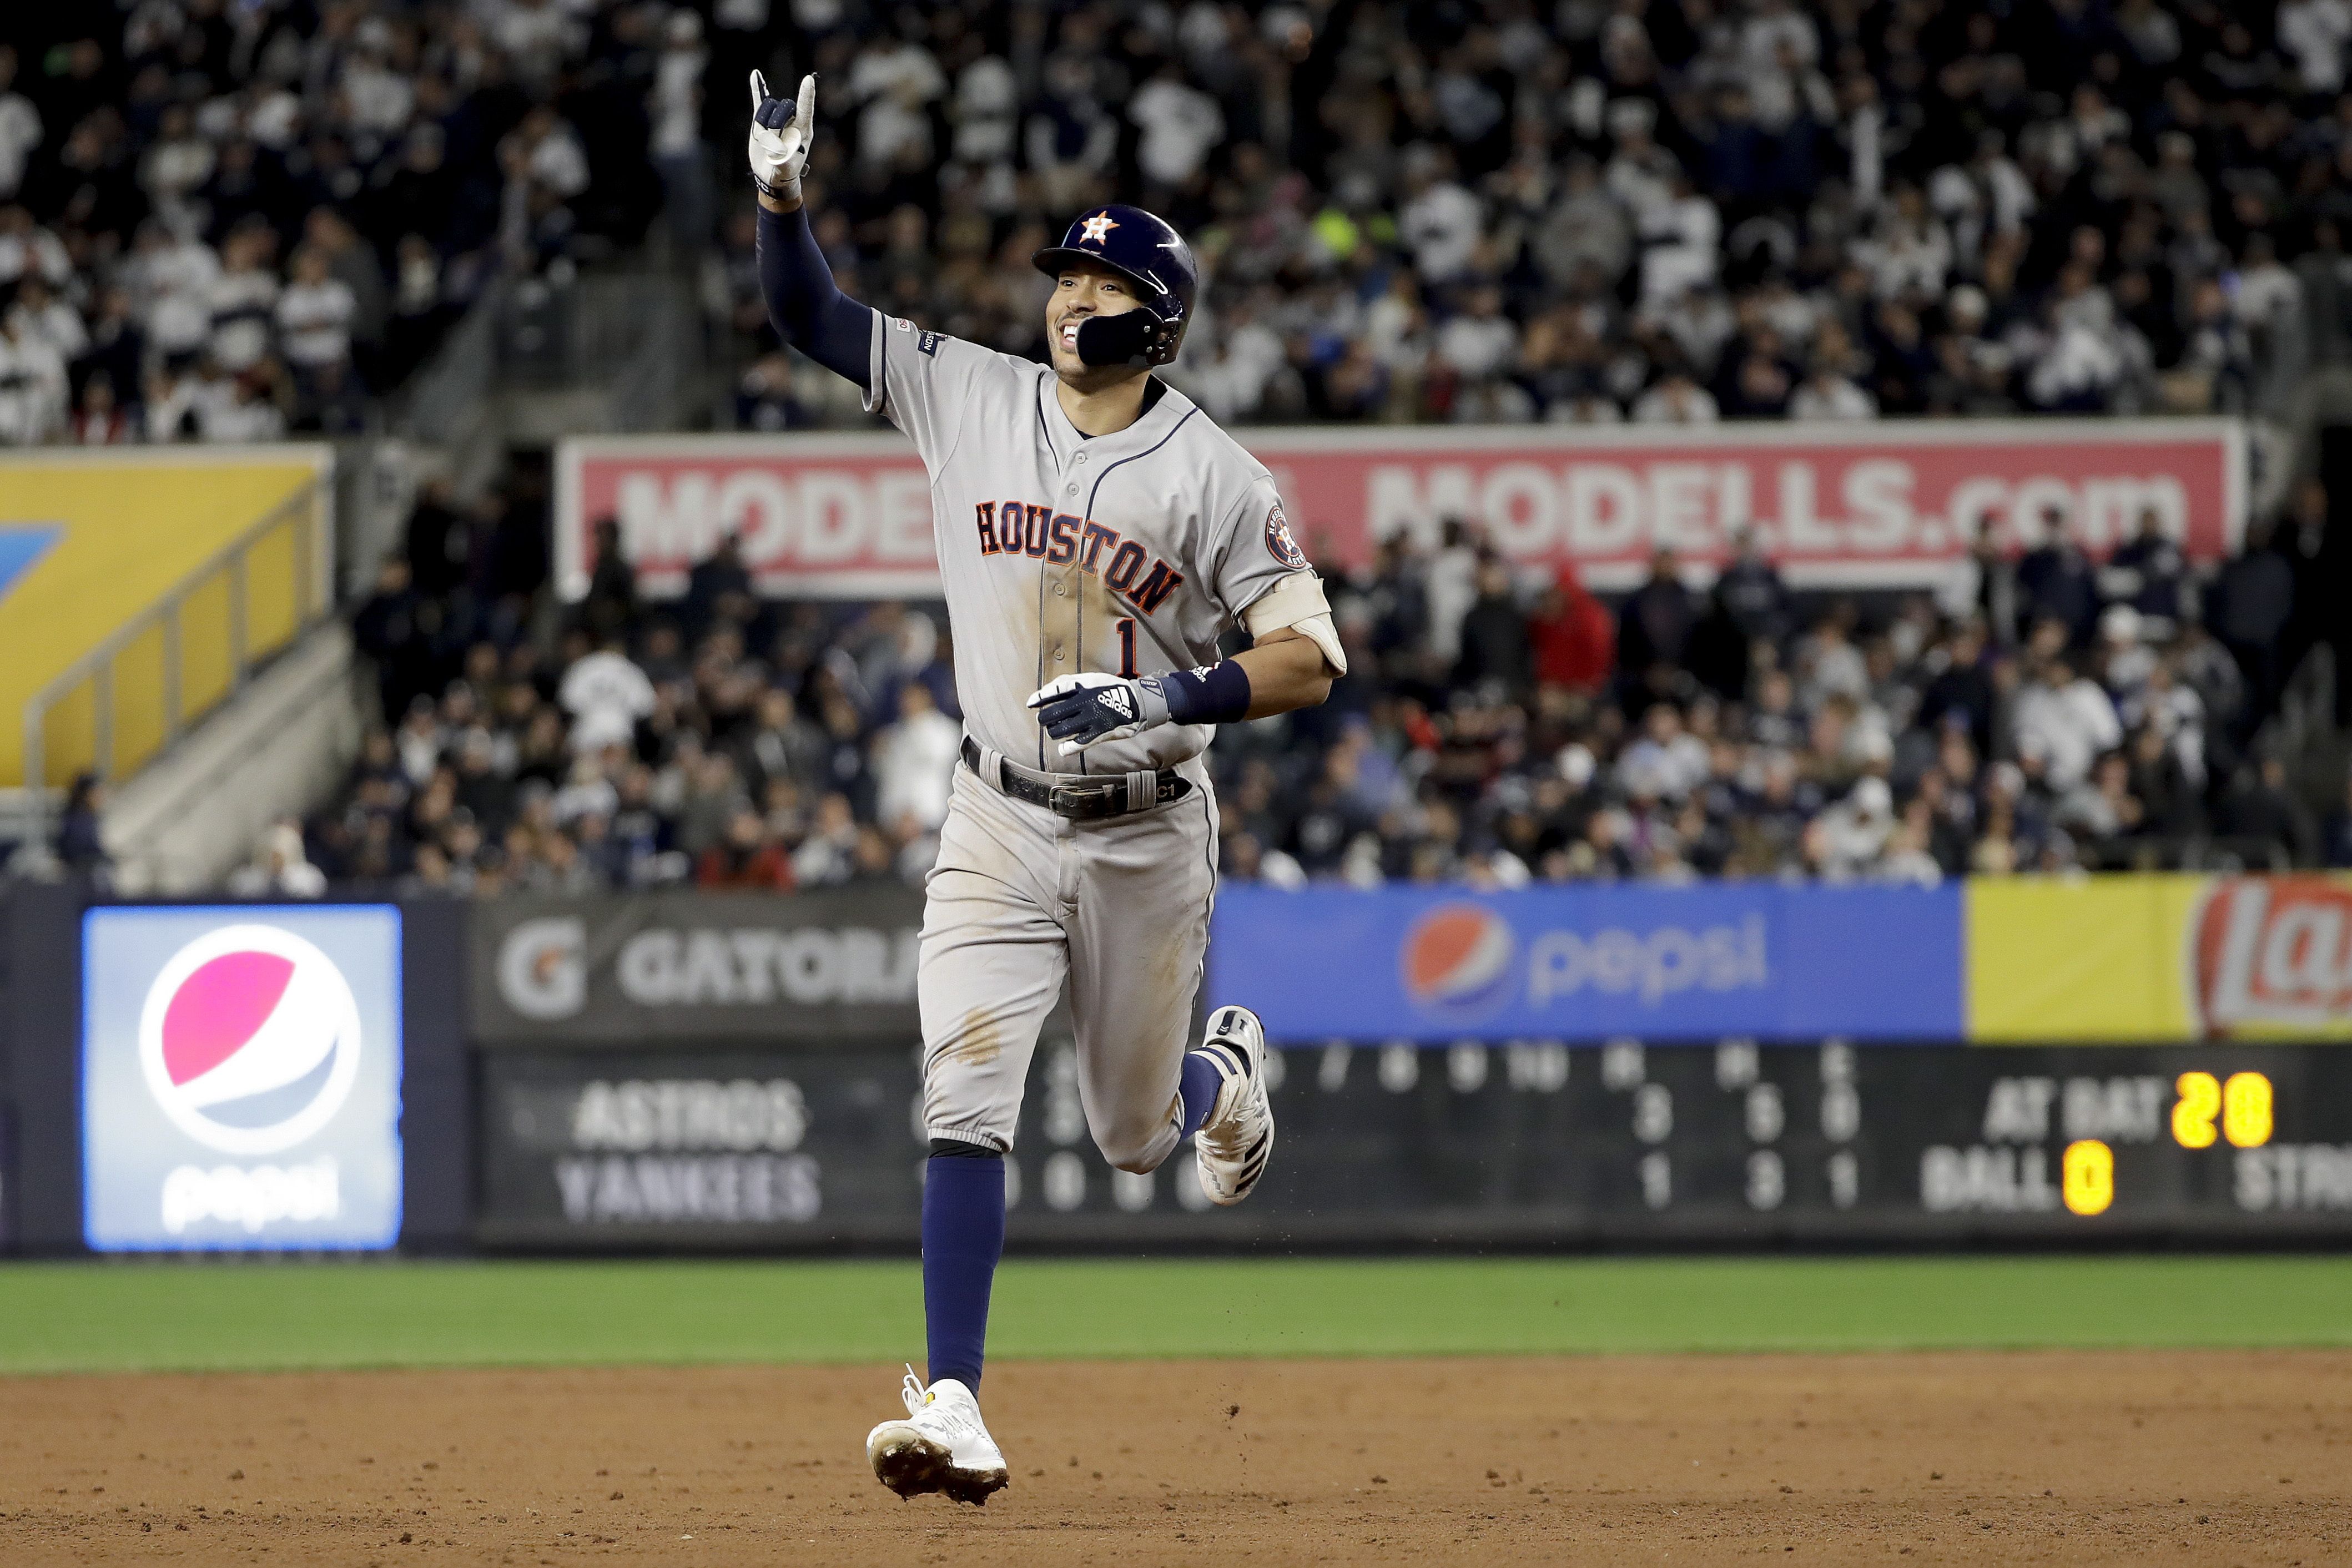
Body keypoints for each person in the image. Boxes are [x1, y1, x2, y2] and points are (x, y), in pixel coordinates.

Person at [748, 74, 1341, 1504]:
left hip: (1145, 833)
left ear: (1158, 316)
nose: (1070, 303)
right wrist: (780, 199)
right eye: (1063, 279)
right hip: (996, 810)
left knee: (1135, 1135)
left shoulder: (1212, 474)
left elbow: (1310, 659)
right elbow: (814, 322)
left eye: (1100, 284)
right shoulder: (969, 391)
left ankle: (1226, 1079)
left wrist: (1164, 696)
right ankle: (954, 1398)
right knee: (964, 1084)